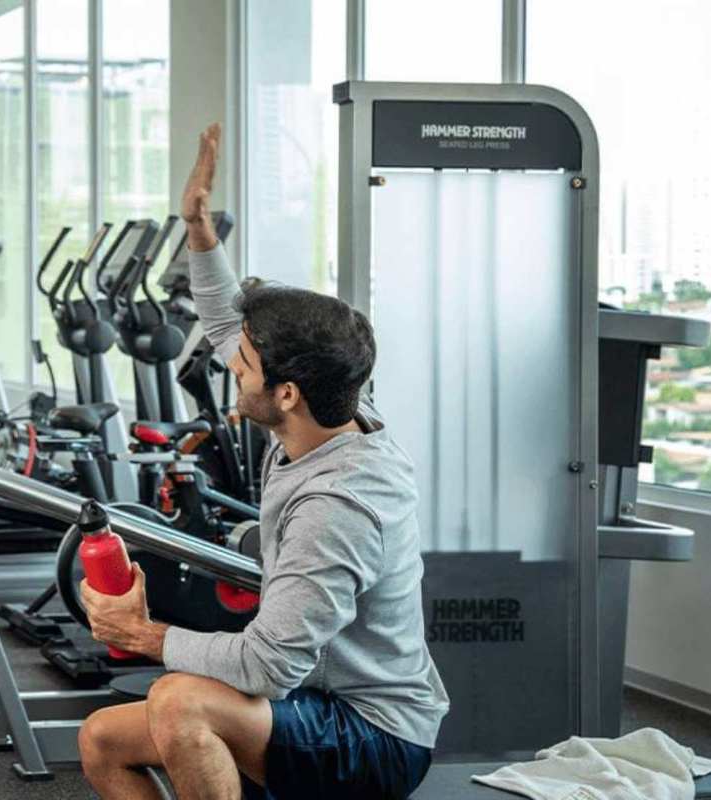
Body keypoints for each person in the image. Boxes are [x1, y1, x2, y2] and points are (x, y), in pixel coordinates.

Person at [76, 123, 450, 800]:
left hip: (373, 734)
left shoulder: (340, 504)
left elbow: (267, 666)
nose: (229, 367)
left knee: (179, 700)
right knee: (101, 740)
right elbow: (226, 324)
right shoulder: (330, 404)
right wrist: (199, 229)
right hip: (319, 697)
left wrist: (140, 632)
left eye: (243, 367)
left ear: (285, 393)